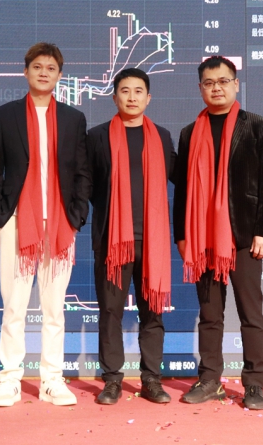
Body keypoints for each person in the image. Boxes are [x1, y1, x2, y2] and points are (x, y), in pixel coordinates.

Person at [0, 42, 91, 407]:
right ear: (26, 71)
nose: (44, 73)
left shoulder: (73, 119)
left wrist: (76, 216)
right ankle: (10, 379)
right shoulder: (5, 115)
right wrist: (1, 215)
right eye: (38, 67)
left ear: (60, 75)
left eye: (51, 68)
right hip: (18, 220)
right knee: (14, 305)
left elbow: (82, 173)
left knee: (54, 308)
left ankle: (52, 380)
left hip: (60, 223)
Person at [173, 56, 263, 410]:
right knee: (210, 316)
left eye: (223, 81)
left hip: (245, 237)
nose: (216, 88)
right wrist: (182, 235)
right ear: (200, 88)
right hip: (202, 239)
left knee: (251, 315)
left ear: (236, 84)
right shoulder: (189, 133)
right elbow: (183, 190)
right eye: (209, 83)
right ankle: (209, 380)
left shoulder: (257, 126)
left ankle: (254, 384)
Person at [87, 68, 175, 405]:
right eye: (125, 91)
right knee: (110, 312)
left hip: (152, 242)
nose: (132, 97)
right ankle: (112, 380)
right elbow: (87, 185)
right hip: (113, 242)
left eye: (139, 91)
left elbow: (179, 178)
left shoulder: (162, 137)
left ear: (148, 98)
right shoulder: (97, 136)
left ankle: (151, 379)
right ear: (115, 97)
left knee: (153, 313)